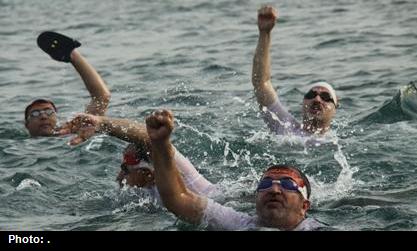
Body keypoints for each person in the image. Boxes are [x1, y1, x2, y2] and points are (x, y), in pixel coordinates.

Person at [146, 109, 325, 230]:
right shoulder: (239, 223)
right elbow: (177, 200)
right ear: (256, 199)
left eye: (287, 183)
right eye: (266, 184)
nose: (274, 189)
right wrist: (161, 145)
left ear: (304, 206)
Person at [57, 113, 218, 201]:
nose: (118, 178)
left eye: (124, 170)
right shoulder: (149, 193)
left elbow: (149, 139)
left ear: (148, 175)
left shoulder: (191, 183)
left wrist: (101, 123)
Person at [252, 6, 338, 136]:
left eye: (325, 97)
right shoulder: (285, 127)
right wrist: (265, 33)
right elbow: (261, 83)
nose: (317, 99)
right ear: (302, 103)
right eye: (310, 95)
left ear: (335, 109)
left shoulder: (338, 145)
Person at [24, 31, 111, 137]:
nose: (43, 116)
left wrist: (73, 56)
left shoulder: (76, 132)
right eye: (35, 114)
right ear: (26, 125)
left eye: (49, 111)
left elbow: (102, 97)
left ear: (57, 119)